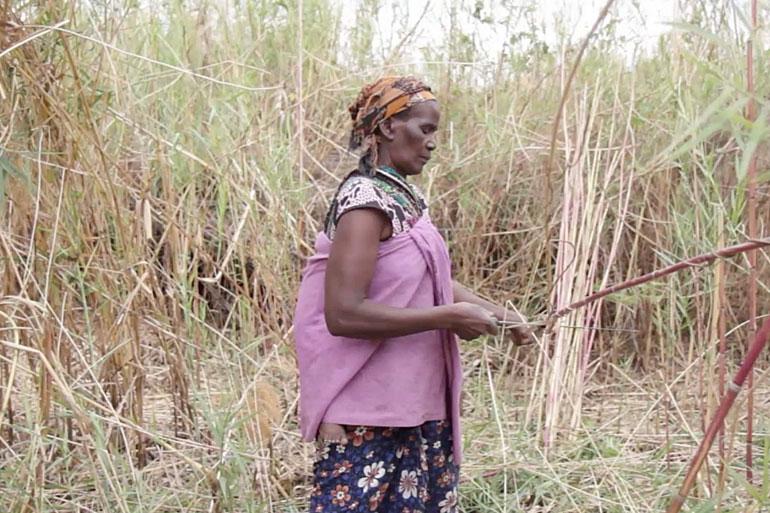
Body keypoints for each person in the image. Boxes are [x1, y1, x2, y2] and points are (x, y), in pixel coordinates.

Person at [294, 76, 531, 513]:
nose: (432, 143)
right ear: (388, 128)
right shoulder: (364, 202)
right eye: (425, 129)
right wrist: (447, 318)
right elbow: (343, 314)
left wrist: (499, 313)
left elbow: (427, 281)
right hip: (366, 409)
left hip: (412, 402)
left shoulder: (402, 197)